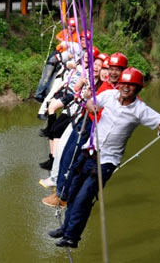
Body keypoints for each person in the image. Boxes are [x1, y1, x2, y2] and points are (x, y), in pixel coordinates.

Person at [47, 67, 160, 248]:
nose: (126, 87)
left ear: (138, 89)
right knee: (73, 193)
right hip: (88, 152)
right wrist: (90, 106)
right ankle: (65, 228)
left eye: (132, 85)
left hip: (106, 162)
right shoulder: (109, 95)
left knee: (84, 197)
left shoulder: (140, 110)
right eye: (124, 83)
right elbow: (89, 103)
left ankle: (72, 237)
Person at [41, 52, 128, 207]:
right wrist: (86, 95)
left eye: (112, 69)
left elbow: (135, 104)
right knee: (67, 156)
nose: (107, 72)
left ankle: (63, 195)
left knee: (73, 161)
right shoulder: (104, 85)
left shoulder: (116, 89)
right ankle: (61, 192)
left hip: (92, 127)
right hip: (83, 120)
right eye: (107, 68)